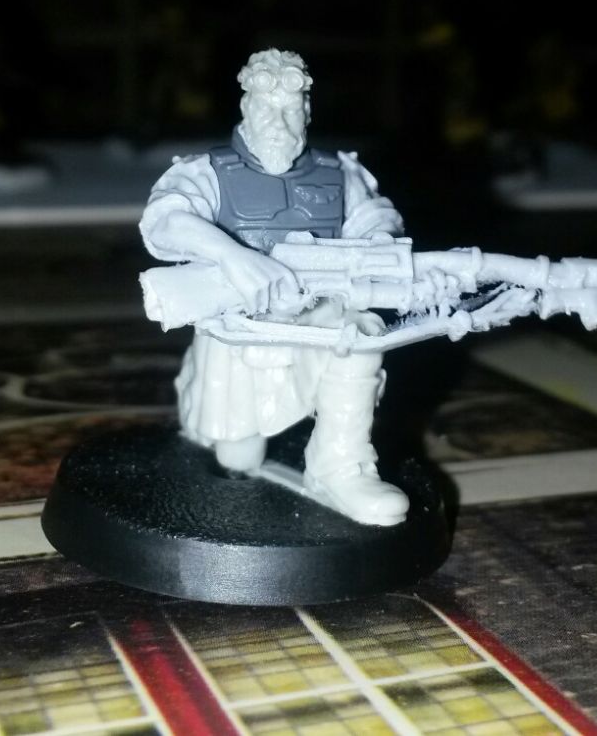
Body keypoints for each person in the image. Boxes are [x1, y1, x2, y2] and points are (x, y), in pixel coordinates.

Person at [138, 49, 410, 526]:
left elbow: (375, 216)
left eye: (291, 110)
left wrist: (377, 242)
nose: (279, 123)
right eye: (267, 109)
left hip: (320, 317)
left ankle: (341, 467)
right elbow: (163, 221)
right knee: (236, 457)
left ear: (307, 111)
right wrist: (232, 255)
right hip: (242, 328)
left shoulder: (340, 172)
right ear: (246, 107)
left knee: (362, 336)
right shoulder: (208, 171)